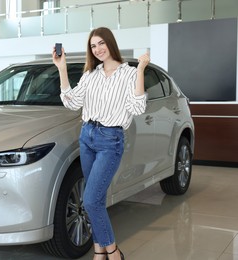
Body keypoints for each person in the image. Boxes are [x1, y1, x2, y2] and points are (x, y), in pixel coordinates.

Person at [52, 27, 150, 260]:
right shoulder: (90, 75)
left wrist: (141, 70)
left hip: (110, 140)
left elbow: (137, 108)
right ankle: (99, 251)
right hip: (87, 136)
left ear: (110, 43)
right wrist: (62, 68)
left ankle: (113, 252)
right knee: (96, 200)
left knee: (91, 200)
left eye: (101, 43)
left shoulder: (128, 73)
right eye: (93, 46)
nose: (97, 49)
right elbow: (72, 102)